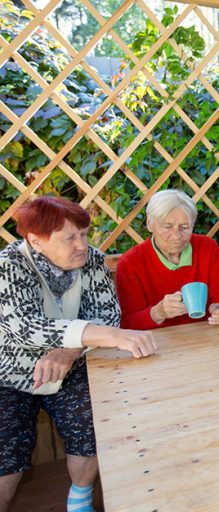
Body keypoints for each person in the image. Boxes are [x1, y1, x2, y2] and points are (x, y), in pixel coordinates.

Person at [0, 196, 157, 512]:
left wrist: (69, 351)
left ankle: (80, 499)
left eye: (84, 234)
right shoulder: (10, 266)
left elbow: (108, 314)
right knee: (5, 449)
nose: (81, 244)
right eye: (69, 237)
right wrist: (108, 336)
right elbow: (26, 326)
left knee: (92, 423)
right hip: (9, 374)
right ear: (35, 240)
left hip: (73, 367)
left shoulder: (94, 261)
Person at [116, 189, 219, 330]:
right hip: (158, 344)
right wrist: (158, 312)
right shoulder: (130, 263)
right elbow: (128, 323)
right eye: (167, 227)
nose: (176, 236)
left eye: (184, 227)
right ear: (150, 224)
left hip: (209, 336)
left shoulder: (207, 248)